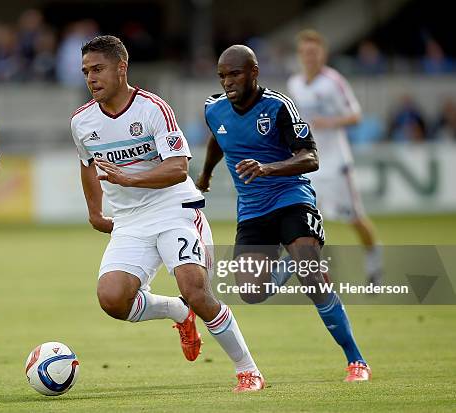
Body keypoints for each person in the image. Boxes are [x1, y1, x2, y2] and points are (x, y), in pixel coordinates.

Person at [71, 35, 264, 392]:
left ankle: (247, 370)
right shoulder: (82, 121)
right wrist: (95, 212)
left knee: (196, 290)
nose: (91, 78)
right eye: (85, 72)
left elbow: (177, 168)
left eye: (97, 69)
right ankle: (177, 312)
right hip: (129, 221)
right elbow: (87, 165)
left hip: (173, 208)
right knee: (112, 299)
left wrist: (129, 177)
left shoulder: (152, 108)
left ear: (121, 68)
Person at [196, 44, 371, 382]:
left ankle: (356, 361)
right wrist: (205, 174)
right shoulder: (213, 109)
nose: (227, 82)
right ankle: (292, 262)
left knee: (312, 277)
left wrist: (268, 168)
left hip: (291, 197)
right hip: (251, 210)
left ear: (254, 72)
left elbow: (310, 158)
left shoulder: (279, 107)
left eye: (234, 74)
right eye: (222, 76)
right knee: (251, 292)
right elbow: (219, 138)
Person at [287, 29, 382, 284]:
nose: (310, 57)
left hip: (337, 164)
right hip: (309, 165)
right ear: (300, 55)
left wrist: (329, 121)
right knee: (304, 220)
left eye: (314, 52)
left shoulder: (333, 81)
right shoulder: (294, 84)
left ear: (323, 54)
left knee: (355, 218)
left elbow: (356, 115)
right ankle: (314, 273)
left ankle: (374, 259)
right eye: (306, 52)